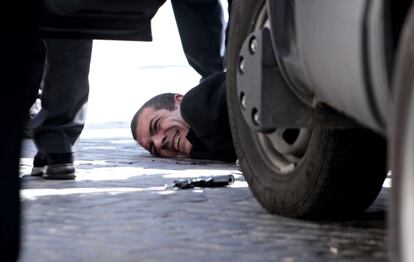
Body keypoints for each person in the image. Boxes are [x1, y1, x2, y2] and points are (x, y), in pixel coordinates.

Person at [131, 72, 236, 162]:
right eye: (153, 148)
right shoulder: (200, 150)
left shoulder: (193, 102)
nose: (159, 143)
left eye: (156, 125)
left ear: (179, 100)